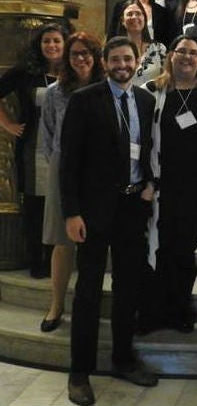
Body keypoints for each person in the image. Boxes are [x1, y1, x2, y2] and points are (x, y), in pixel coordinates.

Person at [62, 36, 157, 406]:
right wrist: (71, 212)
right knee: (87, 293)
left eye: (127, 58)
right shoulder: (84, 101)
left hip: (132, 208)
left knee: (127, 289)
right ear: (105, 62)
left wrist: (151, 183)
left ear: (136, 61)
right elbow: (69, 162)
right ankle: (79, 372)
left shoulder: (146, 101)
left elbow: (147, 149)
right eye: (115, 59)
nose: (122, 64)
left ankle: (122, 359)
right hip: (93, 212)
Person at [140, 35, 197, 334]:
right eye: (181, 51)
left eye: (194, 53)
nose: (187, 57)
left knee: (184, 252)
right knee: (157, 251)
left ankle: (180, 309)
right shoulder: (151, 91)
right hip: (161, 187)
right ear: (170, 55)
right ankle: (153, 311)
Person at [39, 32, 104, 334]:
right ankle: (56, 304)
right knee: (62, 243)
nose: (81, 59)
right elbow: (49, 134)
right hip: (63, 170)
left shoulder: (106, 89)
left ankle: (91, 304)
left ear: (96, 57)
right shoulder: (55, 92)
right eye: (75, 54)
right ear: (67, 57)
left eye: (86, 53)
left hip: (97, 172)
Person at [0, 22, 69, 278]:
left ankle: (58, 259)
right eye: (46, 41)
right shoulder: (26, 73)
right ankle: (37, 261)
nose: (51, 46)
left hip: (68, 148)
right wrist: (8, 123)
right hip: (34, 148)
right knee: (35, 207)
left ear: (65, 44)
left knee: (62, 204)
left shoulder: (74, 70)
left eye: (56, 41)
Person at [116, 1, 167, 87]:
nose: (134, 17)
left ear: (144, 19)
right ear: (122, 21)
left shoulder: (159, 49)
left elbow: (167, 77)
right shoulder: (114, 50)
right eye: (129, 14)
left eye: (138, 14)